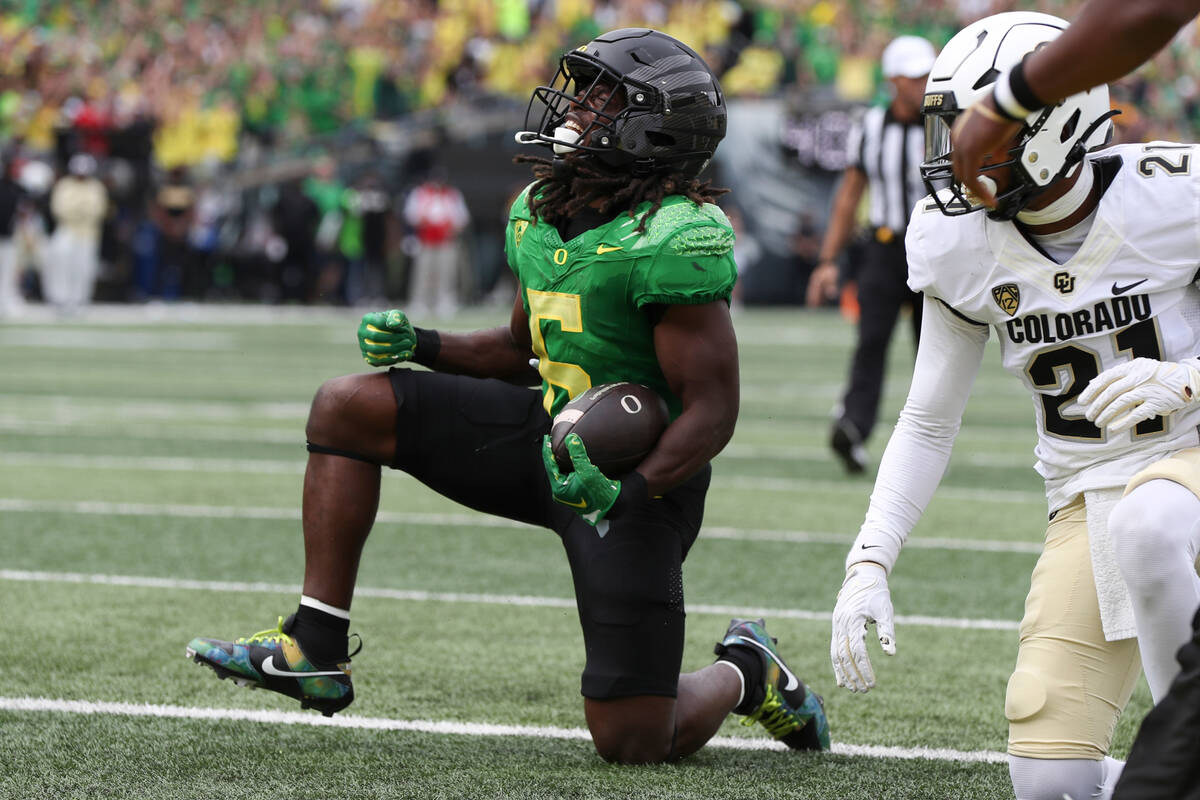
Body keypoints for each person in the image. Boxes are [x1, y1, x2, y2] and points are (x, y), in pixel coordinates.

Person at [186, 28, 829, 764]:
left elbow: (713, 409)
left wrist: (629, 492)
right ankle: (315, 646)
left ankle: (747, 670)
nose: (575, 110)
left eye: (601, 99)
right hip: (544, 435)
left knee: (633, 740)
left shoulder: (673, 239)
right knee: (347, 403)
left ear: (654, 128)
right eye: (581, 93)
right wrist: (424, 345)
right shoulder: (538, 209)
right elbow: (523, 349)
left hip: (632, 482)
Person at [828, 12, 1200, 800]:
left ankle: (1186, 758)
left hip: (1192, 461)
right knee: (1050, 784)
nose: (955, 159)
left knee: (1154, 518)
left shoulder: (1174, 196)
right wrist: (870, 558)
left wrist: (1192, 378)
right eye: (950, 133)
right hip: (1085, 497)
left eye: (976, 136)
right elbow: (929, 417)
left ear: (1055, 125)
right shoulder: (955, 243)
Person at [805, 35, 936, 474]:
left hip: (935, 248)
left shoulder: (947, 123)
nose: (923, 83)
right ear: (894, 80)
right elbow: (849, 195)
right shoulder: (872, 125)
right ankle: (854, 428)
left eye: (926, 75)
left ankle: (926, 441)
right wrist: (827, 260)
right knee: (870, 342)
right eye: (915, 76)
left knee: (933, 350)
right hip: (883, 247)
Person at [950, 0, 1200, 209]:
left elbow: (1146, 10)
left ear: (1064, 129)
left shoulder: (1174, 199)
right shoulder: (935, 236)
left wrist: (1005, 103)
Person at [402, 163, 470, 318]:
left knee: (447, 272)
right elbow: (410, 215)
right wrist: (423, 222)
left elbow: (462, 218)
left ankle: (445, 301)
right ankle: (420, 302)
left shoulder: (452, 194)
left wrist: (452, 228)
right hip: (426, 239)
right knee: (423, 272)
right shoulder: (420, 193)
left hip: (446, 240)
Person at [44, 153, 107, 311]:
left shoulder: (96, 187)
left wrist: (77, 209)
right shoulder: (64, 185)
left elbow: (98, 210)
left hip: (88, 232)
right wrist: (81, 209)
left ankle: (80, 299)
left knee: (84, 267)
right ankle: (59, 298)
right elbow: (59, 209)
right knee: (61, 263)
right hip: (66, 230)